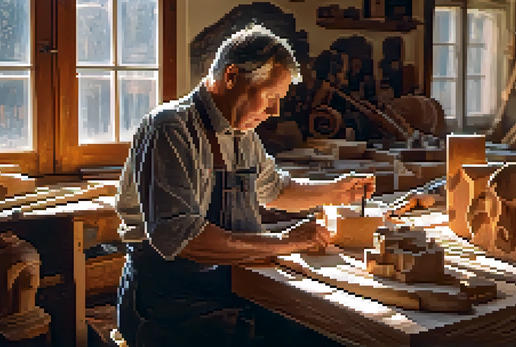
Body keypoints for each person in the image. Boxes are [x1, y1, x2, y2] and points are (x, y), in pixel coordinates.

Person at [114, 24, 375, 347]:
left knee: (327, 331)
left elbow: (275, 190)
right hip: (171, 301)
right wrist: (283, 243)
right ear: (232, 76)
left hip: (228, 287)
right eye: (270, 96)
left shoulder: (242, 134)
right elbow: (182, 239)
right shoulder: (170, 128)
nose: (275, 111)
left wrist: (337, 191)